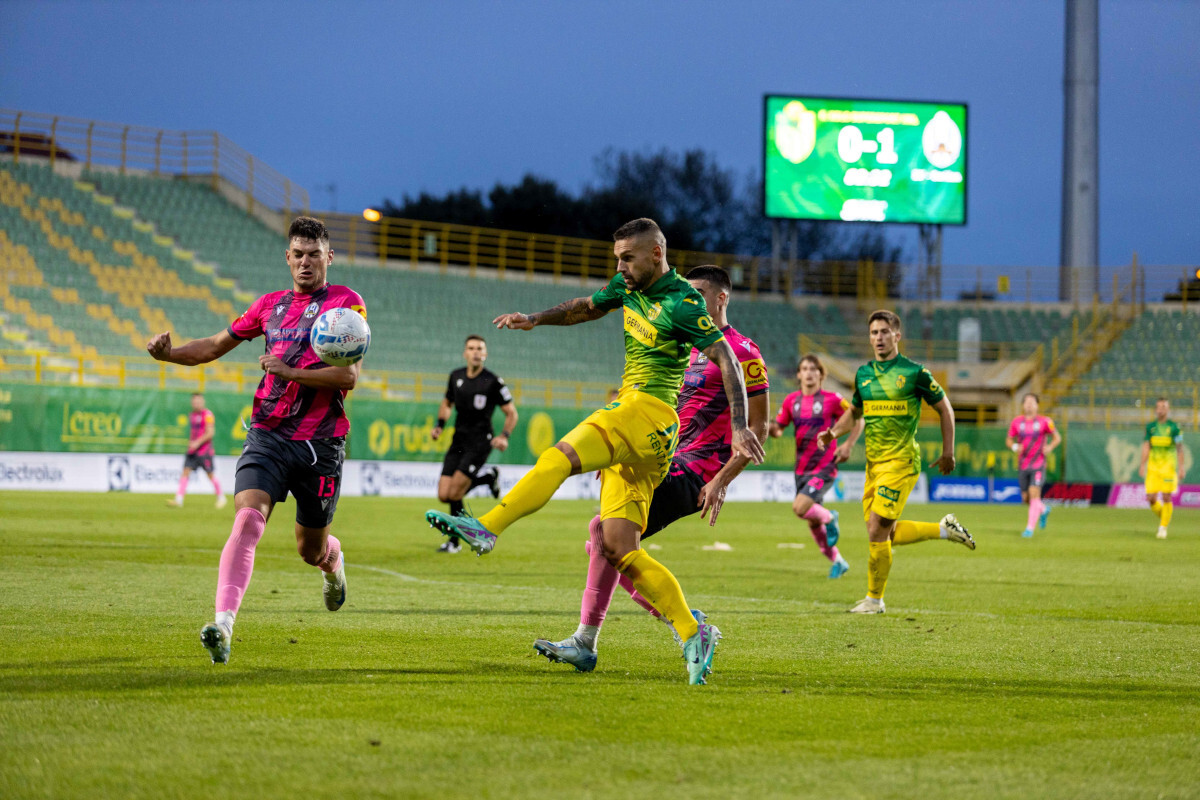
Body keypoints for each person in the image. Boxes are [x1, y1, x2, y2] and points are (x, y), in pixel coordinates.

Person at [426, 218, 765, 684]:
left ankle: (487, 527)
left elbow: (726, 357)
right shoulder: (628, 288)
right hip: (655, 436)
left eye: (628, 258)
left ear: (656, 254)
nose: (620, 267)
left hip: (644, 411)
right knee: (619, 546)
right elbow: (585, 307)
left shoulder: (682, 301)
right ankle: (691, 631)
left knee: (557, 457)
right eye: (617, 259)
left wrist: (742, 428)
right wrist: (536, 319)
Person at [146, 216, 364, 664]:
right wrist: (171, 355)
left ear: (329, 257)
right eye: (298, 255)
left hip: (321, 445)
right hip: (267, 434)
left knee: (311, 549)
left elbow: (348, 375)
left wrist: (289, 371)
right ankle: (223, 625)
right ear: (287, 257)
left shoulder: (346, 304)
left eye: (314, 255)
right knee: (247, 519)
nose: (305, 263)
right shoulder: (268, 305)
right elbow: (212, 345)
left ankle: (333, 562)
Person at [533, 265, 770, 673]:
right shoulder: (684, 344)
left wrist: (722, 479)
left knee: (607, 537)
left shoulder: (743, 352)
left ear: (721, 298)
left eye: (697, 292)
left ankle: (636, 633)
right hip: (662, 457)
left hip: (698, 470)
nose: (688, 297)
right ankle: (644, 630)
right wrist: (622, 452)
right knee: (603, 538)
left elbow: (758, 427)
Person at [818, 309, 975, 615]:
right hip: (874, 465)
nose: (878, 338)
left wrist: (948, 451)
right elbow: (856, 411)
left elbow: (946, 409)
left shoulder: (915, 373)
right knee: (884, 533)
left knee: (877, 531)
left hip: (901, 461)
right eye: (874, 333)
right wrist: (834, 432)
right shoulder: (863, 374)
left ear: (897, 336)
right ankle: (944, 529)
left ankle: (874, 600)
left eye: (884, 332)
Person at [770, 354, 863, 578]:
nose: (809, 372)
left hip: (824, 466)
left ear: (821, 374)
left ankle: (831, 517)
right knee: (812, 522)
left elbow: (857, 419)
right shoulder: (791, 401)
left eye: (814, 369)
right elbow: (779, 429)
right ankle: (838, 561)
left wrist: (848, 445)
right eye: (805, 368)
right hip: (801, 469)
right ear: (799, 374)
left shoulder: (833, 399)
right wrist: (770, 428)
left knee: (799, 508)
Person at [430, 335, 517, 553]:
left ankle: (454, 542)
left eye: (480, 348)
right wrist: (440, 424)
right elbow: (447, 403)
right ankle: (488, 478)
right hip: (458, 439)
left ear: (485, 354)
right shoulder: (455, 376)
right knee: (444, 494)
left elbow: (511, 413)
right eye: (471, 348)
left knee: (456, 493)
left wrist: (504, 436)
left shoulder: (493, 381)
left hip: (480, 442)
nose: (476, 352)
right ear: (465, 353)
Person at [1005, 393, 1061, 538]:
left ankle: (1029, 529)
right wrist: (1015, 447)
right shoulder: (1017, 422)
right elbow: (1009, 440)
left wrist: (1050, 447)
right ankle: (1043, 509)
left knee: (1034, 493)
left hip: (1038, 464)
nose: (1029, 404)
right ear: (1023, 405)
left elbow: (1057, 437)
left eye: (1032, 402)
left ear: (1037, 405)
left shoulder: (1044, 421)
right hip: (1023, 465)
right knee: (1026, 499)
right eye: (1026, 402)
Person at [167, 392, 227, 509]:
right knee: (185, 471)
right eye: (194, 401)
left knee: (210, 474)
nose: (196, 403)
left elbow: (210, 433)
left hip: (204, 450)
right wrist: (191, 444)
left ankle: (221, 497)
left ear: (202, 402)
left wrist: (197, 443)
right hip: (192, 450)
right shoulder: (192, 415)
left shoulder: (208, 414)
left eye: (198, 401)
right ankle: (179, 499)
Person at [1140, 397, 1185, 539]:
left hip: (1168, 467)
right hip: (1153, 468)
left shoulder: (1174, 428)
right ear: (1155, 409)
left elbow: (1179, 448)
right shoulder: (1150, 427)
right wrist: (1142, 464)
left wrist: (1181, 467)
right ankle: (1165, 517)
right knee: (1151, 498)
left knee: (1166, 496)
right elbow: (1147, 446)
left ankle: (1163, 527)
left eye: (1164, 407)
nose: (1161, 409)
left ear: (1168, 409)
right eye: (1158, 407)